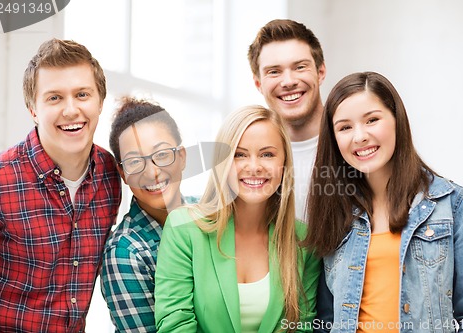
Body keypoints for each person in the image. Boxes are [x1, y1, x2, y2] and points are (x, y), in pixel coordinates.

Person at [304, 71, 463, 332]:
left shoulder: (453, 204)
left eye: (372, 120)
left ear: (396, 120)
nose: (359, 136)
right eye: (345, 127)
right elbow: (325, 322)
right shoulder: (333, 211)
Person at [0, 39, 122, 332]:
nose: (71, 110)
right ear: (33, 109)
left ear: (100, 101)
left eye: (82, 94)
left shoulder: (111, 175)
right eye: (54, 98)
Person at [154, 105, 321, 333]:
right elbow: (175, 325)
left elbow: (302, 327)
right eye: (239, 155)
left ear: (284, 164)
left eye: (267, 154)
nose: (254, 167)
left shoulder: (303, 241)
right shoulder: (184, 228)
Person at [101, 97, 195, 332]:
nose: (152, 172)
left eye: (162, 154)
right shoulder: (125, 252)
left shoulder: (210, 213)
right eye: (134, 162)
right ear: (123, 173)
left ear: (182, 156)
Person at [248, 19, 326, 220]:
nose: (289, 82)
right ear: (259, 84)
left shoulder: (356, 143)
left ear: (320, 72)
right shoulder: (245, 156)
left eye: (300, 67)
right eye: (274, 72)